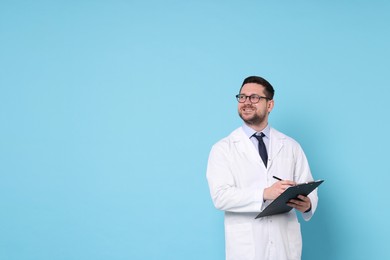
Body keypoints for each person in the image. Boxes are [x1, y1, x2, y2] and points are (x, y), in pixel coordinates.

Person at [206, 76, 318, 260]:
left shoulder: (291, 146)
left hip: (284, 246)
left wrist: (308, 205)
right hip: (247, 248)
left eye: (254, 97)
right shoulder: (223, 148)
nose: (246, 102)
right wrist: (264, 193)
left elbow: (308, 185)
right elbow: (220, 197)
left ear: (270, 105)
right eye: (242, 97)